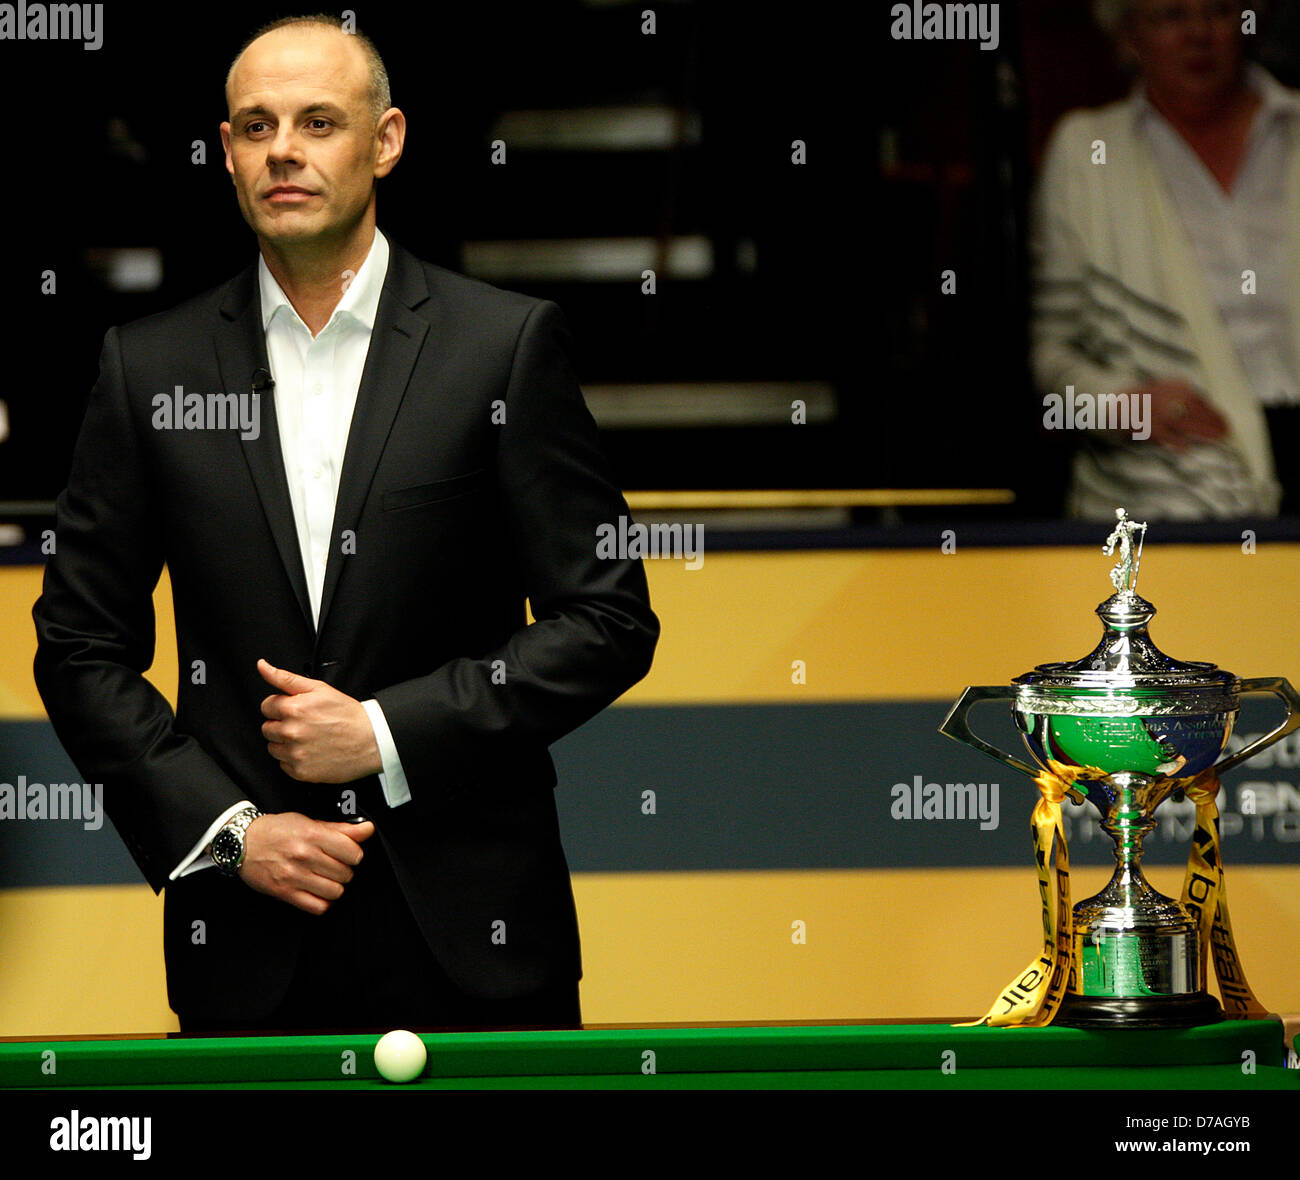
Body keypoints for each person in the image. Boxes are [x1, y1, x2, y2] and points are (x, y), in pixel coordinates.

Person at [31, 15, 658, 1033]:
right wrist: (232, 832)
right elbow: (77, 649)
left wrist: (381, 731)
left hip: (479, 941)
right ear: (227, 153)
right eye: (255, 125)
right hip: (247, 942)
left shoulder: (503, 347)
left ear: (387, 139)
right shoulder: (146, 368)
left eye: (319, 121)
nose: (284, 148)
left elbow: (608, 621)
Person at [1031, 0, 1300, 519]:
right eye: (1170, 15)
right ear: (1128, 37)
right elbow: (1051, 360)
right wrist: (1126, 406)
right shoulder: (1087, 152)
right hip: (1171, 488)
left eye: (1218, 11)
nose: (1198, 34)